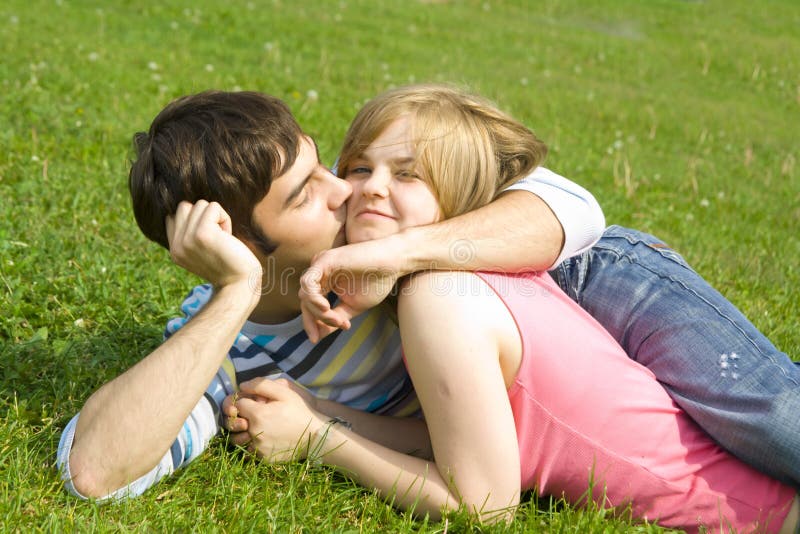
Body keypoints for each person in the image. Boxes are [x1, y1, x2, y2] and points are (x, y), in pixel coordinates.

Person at [228, 84, 800, 532]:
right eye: (359, 168)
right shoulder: (457, 282)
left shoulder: (438, 299)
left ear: (460, 200)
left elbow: (482, 505)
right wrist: (315, 410)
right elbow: (453, 439)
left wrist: (318, 440)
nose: (373, 187)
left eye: (407, 174)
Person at [55, 90, 604, 499]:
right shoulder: (231, 357)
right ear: (242, 243)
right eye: (304, 196)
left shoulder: (373, 222)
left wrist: (399, 254)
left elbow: (574, 208)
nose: (346, 187)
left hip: (610, 282)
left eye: (320, 163)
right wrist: (235, 293)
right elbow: (95, 474)